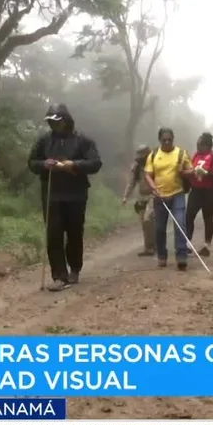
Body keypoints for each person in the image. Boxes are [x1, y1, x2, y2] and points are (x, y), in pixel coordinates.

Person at [27, 104, 103, 291]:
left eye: (56, 121)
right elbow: (31, 162)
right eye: (50, 122)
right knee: (53, 235)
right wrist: (44, 164)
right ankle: (59, 276)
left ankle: (74, 268)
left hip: (76, 194)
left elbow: (95, 163)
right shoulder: (44, 141)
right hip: (51, 193)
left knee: (74, 233)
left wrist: (73, 165)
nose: (53, 124)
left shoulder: (82, 140)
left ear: (66, 120)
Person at [144, 127, 194, 270]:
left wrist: (183, 171)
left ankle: (181, 257)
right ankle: (162, 256)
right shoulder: (153, 155)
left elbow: (192, 170)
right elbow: (147, 173)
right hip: (160, 196)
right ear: (159, 140)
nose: (167, 142)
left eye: (169, 139)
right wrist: (153, 186)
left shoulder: (181, 153)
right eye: (164, 140)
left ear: (173, 139)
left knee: (180, 224)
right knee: (159, 228)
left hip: (177, 193)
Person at [185, 132, 213, 257]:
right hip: (196, 190)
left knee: (207, 217)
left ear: (207, 145)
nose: (198, 147)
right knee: (189, 215)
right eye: (197, 144)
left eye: (200, 144)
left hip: (210, 191)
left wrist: (205, 172)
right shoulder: (196, 155)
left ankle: (206, 246)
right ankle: (187, 243)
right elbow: (191, 168)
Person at [121, 144, 156, 256]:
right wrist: (126, 196)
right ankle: (148, 247)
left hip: (153, 195)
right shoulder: (136, 167)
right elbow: (131, 182)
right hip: (141, 196)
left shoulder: (155, 164)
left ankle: (152, 246)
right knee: (143, 222)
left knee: (148, 219)